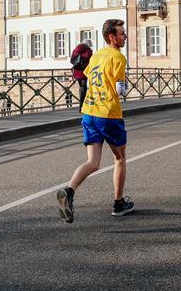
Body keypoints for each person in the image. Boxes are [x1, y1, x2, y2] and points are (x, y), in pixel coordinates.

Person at [56, 19, 133, 223]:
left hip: (89, 112)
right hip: (108, 114)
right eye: (121, 33)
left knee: (93, 162)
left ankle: (69, 191)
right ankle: (118, 203)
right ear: (112, 37)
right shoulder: (118, 57)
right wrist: (125, 86)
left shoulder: (96, 56)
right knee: (120, 159)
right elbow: (120, 89)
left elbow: (87, 77)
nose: (124, 36)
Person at [70, 38, 93, 110]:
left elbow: (72, 60)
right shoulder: (88, 51)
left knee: (81, 87)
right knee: (84, 88)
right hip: (84, 72)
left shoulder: (76, 50)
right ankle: (82, 106)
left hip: (77, 71)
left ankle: (81, 105)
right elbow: (91, 61)